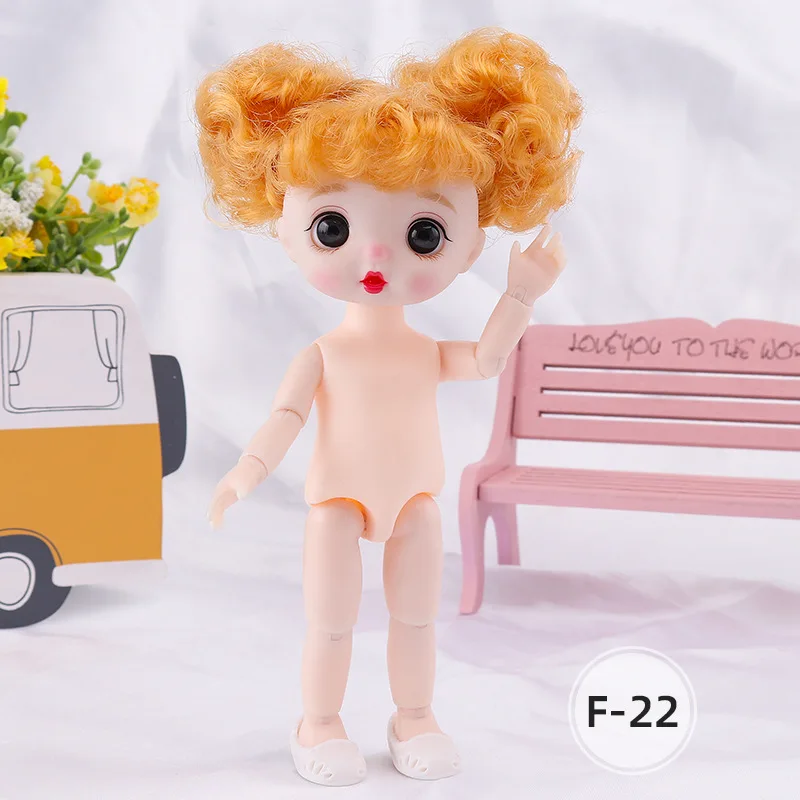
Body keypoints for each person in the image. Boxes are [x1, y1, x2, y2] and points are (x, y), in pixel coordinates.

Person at [197, 27, 581, 786]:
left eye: (423, 234)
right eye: (332, 228)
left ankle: (415, 717)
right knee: (331, 624)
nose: (374, 259)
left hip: (414, 500)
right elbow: (286, 417)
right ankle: (319, 722)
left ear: (469, 246)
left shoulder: (421, 350)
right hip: (337, 501)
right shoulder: (324, 355)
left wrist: (521, 294)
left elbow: (484, 361)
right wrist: (246, 471)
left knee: (414, 619)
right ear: (284, 226)